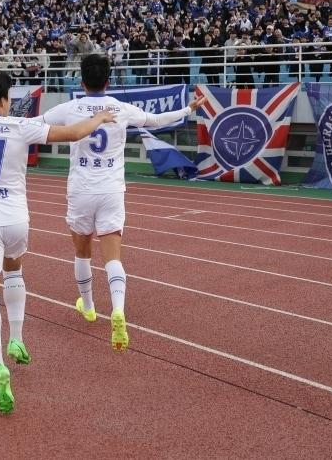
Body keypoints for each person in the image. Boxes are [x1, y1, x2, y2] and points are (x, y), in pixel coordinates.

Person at [0, 70, 115, 415]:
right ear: (1, 100)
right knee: (14, 271)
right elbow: (73, 133)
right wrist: (99, 117)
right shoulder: (18, 127)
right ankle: (19, 338)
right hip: (15, 219)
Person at [40, 54, 207, 352]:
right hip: (111, 189)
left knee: (82, 252)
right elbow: (156, 121)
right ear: (108, 81)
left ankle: (89, 307)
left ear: (81, 81)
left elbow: (35, 126)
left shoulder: (69, 108)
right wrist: (188, 108)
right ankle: (117, 309)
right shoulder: (121, 108)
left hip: (80, 189)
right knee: (112, 255)